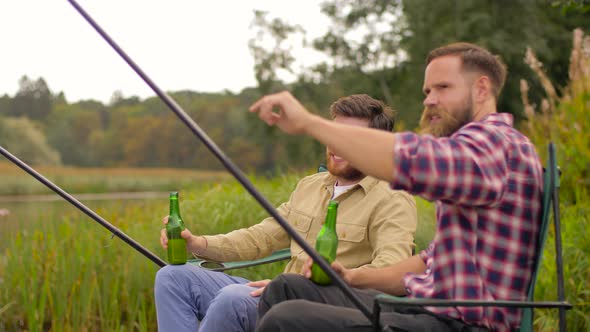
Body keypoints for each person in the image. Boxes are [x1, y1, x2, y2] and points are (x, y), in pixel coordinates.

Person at [250, 43, 543, 332]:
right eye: (428, 91)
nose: (429, 100)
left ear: (481, 89)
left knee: (286, 319)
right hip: (423, 309)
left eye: (443, 88)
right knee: (287, 287)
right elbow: (428, 262)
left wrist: (308, 123)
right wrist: (352, 276)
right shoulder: (476, 151)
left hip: (462, 323)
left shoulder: (496, 145)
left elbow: (411, 159)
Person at [154, 94, 418, 332]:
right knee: (172, 277)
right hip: (274, 293)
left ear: (374, 144)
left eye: (349, 137)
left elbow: (392, 271)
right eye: (334, 133)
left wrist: (298, 289)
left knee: (233, 298)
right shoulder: (310, 186)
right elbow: (261, 238)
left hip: (317, 309)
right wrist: (197, 243)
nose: (336, 144)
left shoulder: (393, 198)